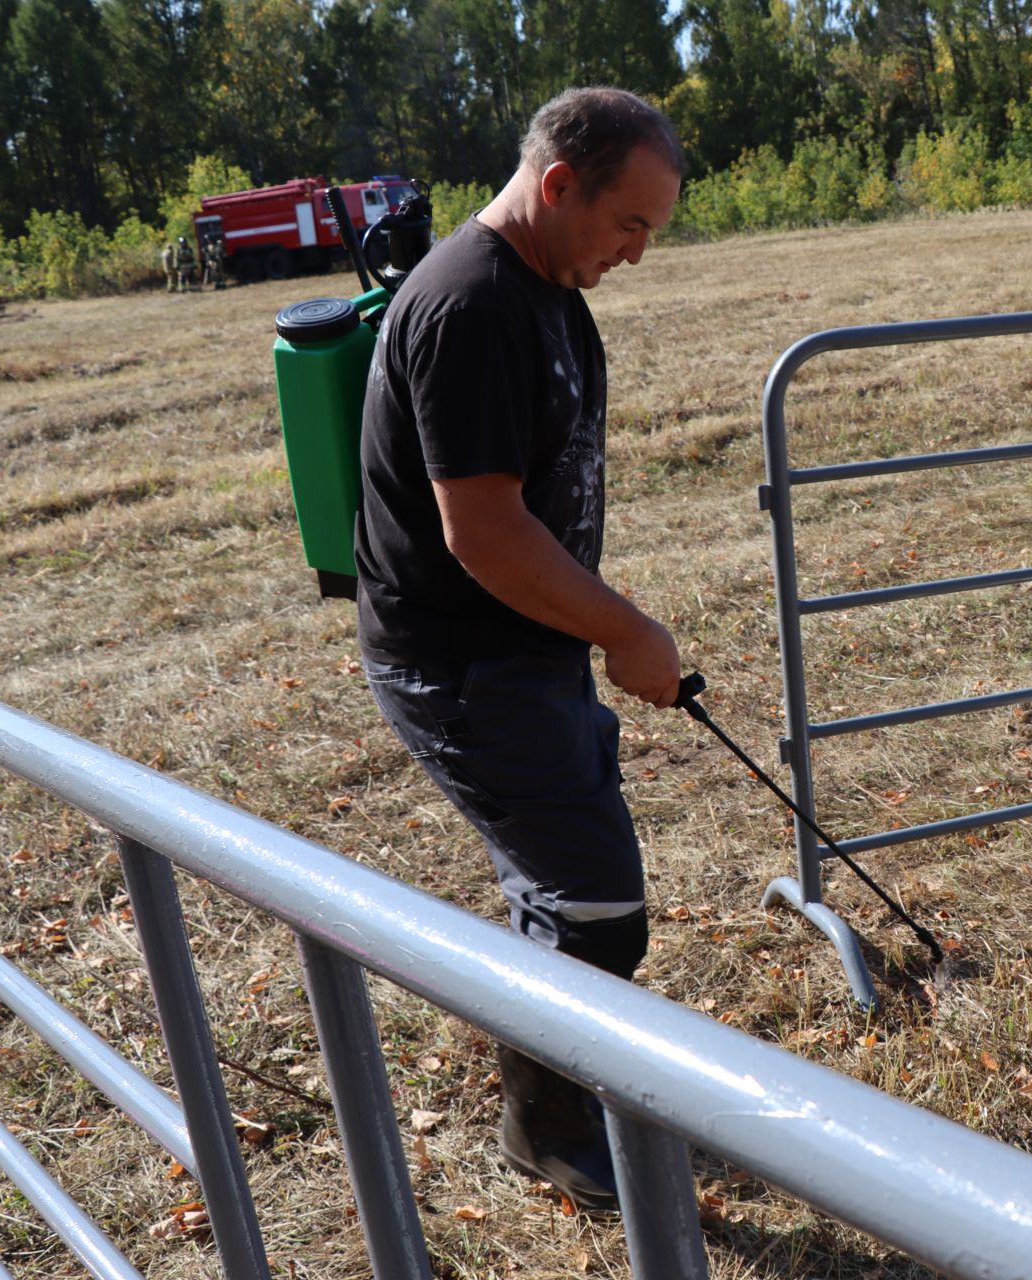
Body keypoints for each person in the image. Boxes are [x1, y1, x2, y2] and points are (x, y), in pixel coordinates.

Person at [353, 87, 684, 1211]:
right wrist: (626, 628)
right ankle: (544, 1128)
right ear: (557, 187)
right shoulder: (473, 306)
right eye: (628, 224)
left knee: (568, 884)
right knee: (596, 903)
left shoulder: (546, 288)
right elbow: (484, 531)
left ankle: (558, 1101)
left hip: (526, 652)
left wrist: (592, 634)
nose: (636, 254)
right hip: (464, 667)